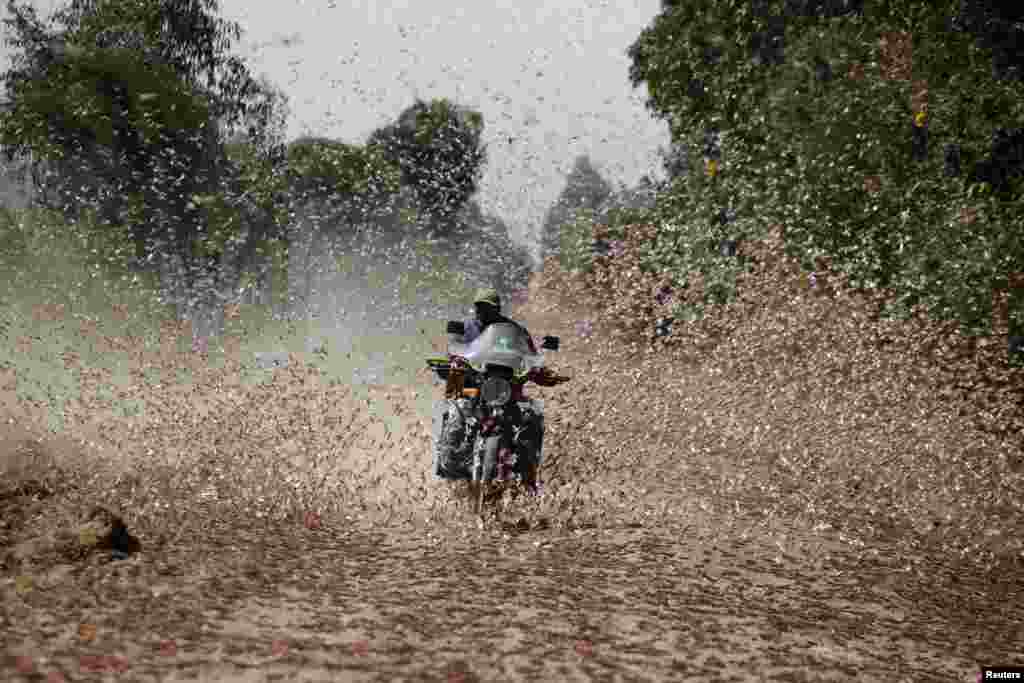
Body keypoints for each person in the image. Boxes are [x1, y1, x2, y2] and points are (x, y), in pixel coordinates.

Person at [432, 288, 544, 495]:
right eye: (479, 306)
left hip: (507, 390)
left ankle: (530, 476)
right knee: (457, 413)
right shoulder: (467, 328)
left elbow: (531, 355)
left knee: (533, 416)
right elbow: (453, 350)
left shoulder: (515, 330)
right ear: (475, 307)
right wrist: (451, 364)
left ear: (498, 308)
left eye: (488, 307)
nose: (483, 311)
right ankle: (448, 462)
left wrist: (538, 367)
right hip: (475, 386)